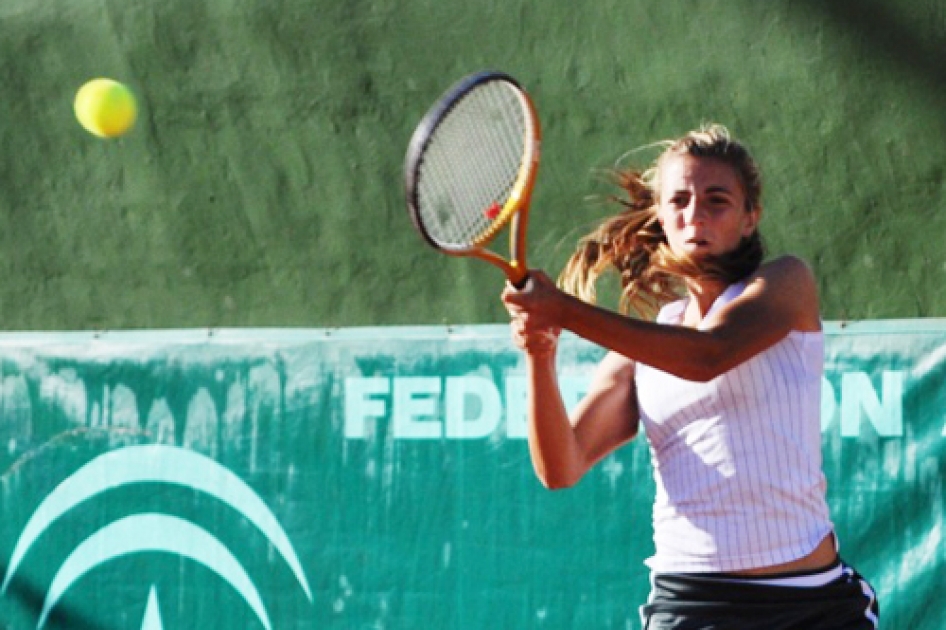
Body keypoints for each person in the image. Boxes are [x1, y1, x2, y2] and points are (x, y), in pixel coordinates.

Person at [501, 124, 880, 629]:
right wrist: (540, 354)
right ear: (660, 215)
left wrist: (562, 310)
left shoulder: (786, 284)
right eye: (678, 200)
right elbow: (561, 466)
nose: (694, 214)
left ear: (751, 218)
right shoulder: (645, 346)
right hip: (691, 603)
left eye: (716, 199)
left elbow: (709, 356)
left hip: (811, 606)